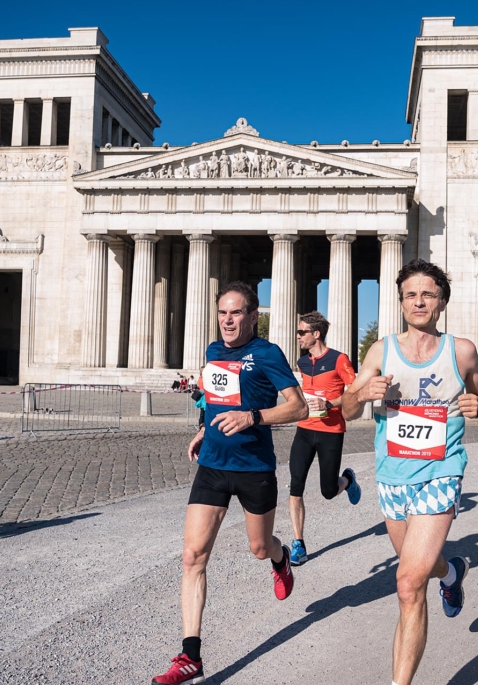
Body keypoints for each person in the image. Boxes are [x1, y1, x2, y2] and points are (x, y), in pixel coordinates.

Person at [341, 259, 478, 685]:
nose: (419, 301)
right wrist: (361, 396)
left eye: (428, 294)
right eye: (411, 295)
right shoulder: (381, 351)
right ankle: (453, 572)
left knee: (408, 584)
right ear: (401, 302)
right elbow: (346, 409)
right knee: (421, 568)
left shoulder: (461, 350)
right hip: (392, 475)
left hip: (442, 470)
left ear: (442, 302)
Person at [151, 282, 308, 685]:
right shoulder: (212, 352)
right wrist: (205, 429)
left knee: (259, 547)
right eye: (223, 312)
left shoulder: (268, 353)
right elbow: (216, 399)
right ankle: (190, 656)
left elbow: (298, 407)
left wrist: (253, 417)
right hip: (213, 467)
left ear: (253, 316)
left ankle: (280, 559)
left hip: (255, 469)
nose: (228, 320)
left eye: (236, 312)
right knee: (192, 556)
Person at [287, 310, 361, 566]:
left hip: (331, 431)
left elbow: (354, 391)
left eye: (302, 332)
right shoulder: (302, 362)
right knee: (295, 485)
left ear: (316, 334)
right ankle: (298, 544)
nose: (298, 336)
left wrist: (329, 403)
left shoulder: (339, 359)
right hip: (304, 429)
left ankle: (347, 480)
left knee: (328, 491)